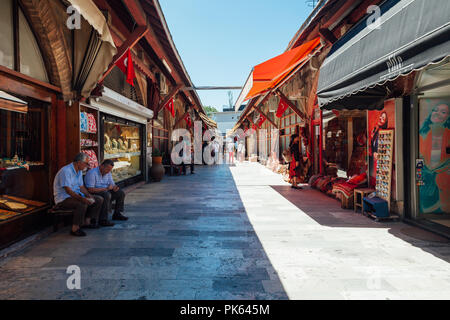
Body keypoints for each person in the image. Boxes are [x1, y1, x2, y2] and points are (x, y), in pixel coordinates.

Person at [53, 153, 103, 237]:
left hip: (75, 196)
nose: (87, 166)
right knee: (81, 203)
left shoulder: (79, 171)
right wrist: (82, 199)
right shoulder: (66, 171)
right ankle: (75, 228)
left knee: (98, 199)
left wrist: (89, 195)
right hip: (64, 199)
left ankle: (87, 222)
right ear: (79, 162)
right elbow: (68, 191)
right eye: (86, 163)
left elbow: (81, 187)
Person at [419, 103, 450, 213]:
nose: (437, 113)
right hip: (425, 178)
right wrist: (420, 176)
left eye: (443, 112)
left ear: (448, 117)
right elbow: (419, 158)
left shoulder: (448, 134)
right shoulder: (422, 133)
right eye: (435, 110)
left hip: (442, 183)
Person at [369, 111, 388, 185]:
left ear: (386, 121)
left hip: (379, 159)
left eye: (383, 118)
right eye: (381, 116)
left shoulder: (385, 132)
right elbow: (373, 143)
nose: (380, 119)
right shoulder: (377, 130)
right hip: (374, 158)